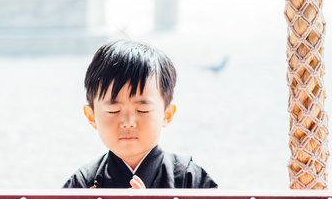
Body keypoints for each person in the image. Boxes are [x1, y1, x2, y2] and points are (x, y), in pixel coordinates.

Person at [64, 40, 217, 189]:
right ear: (91, 116)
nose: (128, 122)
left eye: (143, 110)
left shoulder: (191, 180)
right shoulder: (82, 184)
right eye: (113, 111)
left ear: (167, 114)